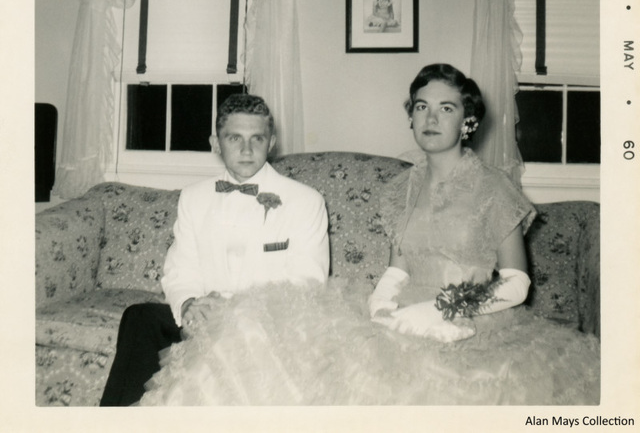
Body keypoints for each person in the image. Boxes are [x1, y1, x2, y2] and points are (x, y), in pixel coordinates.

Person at [138, 65, 600, 406]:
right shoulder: (403, 188)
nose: (431, 118)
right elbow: (398, 267)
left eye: (446, 108)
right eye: (421, 107)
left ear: (469, 120)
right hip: (400, 317)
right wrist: (381, 308)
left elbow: (516, 283)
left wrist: (441, 310)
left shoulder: (494, 187)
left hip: (471, 320)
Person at [99, 94, 329, 406]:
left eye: (257, 138)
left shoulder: (305, 201)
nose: (246, 150)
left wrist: (234, 313)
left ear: (271, 142)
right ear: (215, 143)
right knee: (140, 318)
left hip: (267, 327)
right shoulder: (194, 198)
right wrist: (190, 305)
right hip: (202, 320)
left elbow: (307, 284)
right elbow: (181, 269)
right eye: (234, 138)